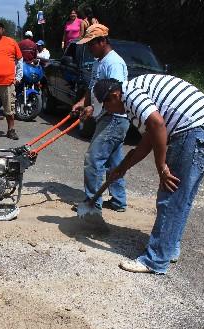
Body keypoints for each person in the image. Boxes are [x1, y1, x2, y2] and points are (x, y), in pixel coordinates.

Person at [92, 76, 204, 275]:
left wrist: (162, 167)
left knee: (170, 197)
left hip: (193, 131)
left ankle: (154, 260)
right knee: (182, 197)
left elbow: (158, 125)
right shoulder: (134, 96)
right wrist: (122, 168)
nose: (107, 110)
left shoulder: (130, 95)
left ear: (114, 95)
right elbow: (147, 141)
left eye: (106, 105)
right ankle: (168, 249)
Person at [72, 24, 129, 212]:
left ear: (102, 41)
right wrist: (83, 102)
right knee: (114, 161)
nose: (89, 49)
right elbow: (92, 87)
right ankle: (118, 200)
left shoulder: (114, 63)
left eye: (91, 45)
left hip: (114, 117)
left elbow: (116, 95)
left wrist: (93, 108)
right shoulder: (99, 61)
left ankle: (92, 203)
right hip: (105, 116)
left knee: (93, 159)